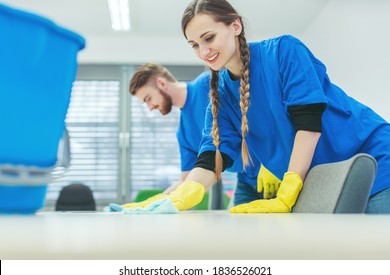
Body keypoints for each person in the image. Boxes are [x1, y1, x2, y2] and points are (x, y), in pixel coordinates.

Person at [172, 0, 390, 214]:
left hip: (375, 158)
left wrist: (288, 191)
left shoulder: (284, 51)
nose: (203, 52)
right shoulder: (220, 95)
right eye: (194, 45)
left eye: (209, 38)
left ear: (236, 26)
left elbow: (309, 124)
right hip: (324, 180)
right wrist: (181, 196)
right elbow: (214, 155)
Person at [126, 63, 264, 209]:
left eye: (148, 99)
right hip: (246, 181)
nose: (150, 107)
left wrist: (268, 166)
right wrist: (155, 202)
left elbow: (256, 111)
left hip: (273, 169)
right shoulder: (183, 134)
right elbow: (186, 181)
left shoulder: (208, 83)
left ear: (161, 83)